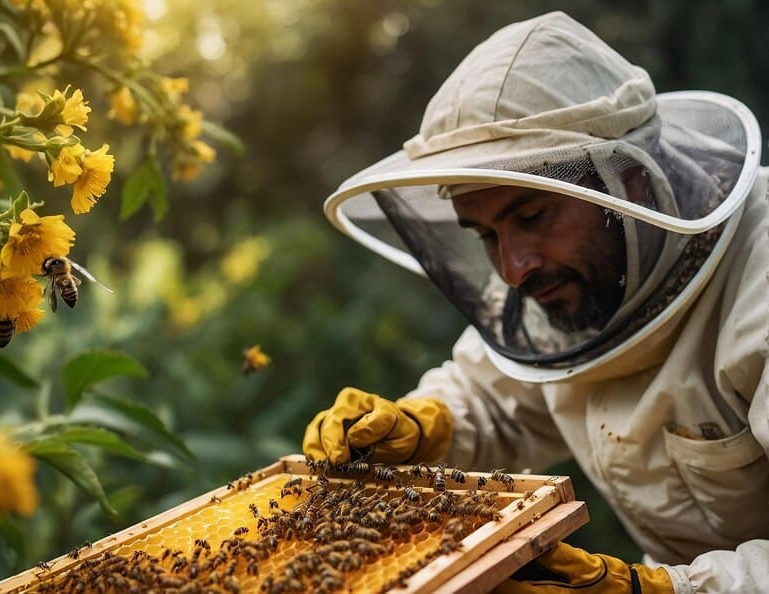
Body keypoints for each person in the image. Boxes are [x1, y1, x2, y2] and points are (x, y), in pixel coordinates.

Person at [302, 11, 768, 594]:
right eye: (486, 236)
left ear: (632, 183)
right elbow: (495, 395)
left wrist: (663, 590)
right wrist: (428, 425)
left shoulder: (760, 288)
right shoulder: (573, 279)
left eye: (531, 215)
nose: (512, 269)